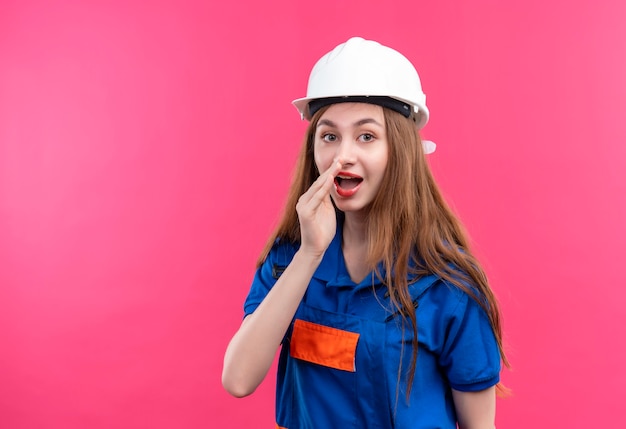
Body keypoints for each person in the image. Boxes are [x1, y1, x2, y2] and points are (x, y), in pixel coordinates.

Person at [222, 36, 508, 429]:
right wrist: (309, 254)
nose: (343, 156)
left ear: (402, 151)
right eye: (329, 136)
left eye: (366, 136)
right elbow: (238, 380)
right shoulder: (289, 258)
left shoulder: (448, 287)